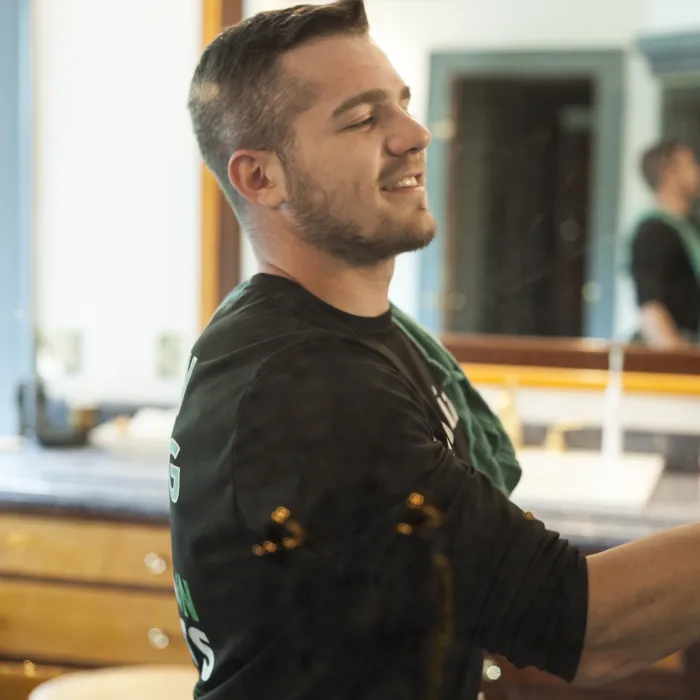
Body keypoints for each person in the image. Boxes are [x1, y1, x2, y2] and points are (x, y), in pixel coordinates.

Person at [170, 2, 700, 698]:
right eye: (363, 119)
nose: (415, 135)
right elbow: (587, 627)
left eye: (402, 105)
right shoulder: (308, 383)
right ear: (261, 178)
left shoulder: (344, 336)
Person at [630, 139, 700, 348]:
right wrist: (679, 359)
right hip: (677, 350)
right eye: (691, 164)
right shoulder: (653, 232)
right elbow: (651, 308)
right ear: (669, 173)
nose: (697, 170)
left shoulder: (691, 227)